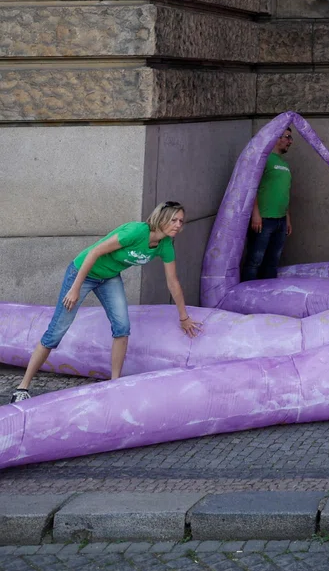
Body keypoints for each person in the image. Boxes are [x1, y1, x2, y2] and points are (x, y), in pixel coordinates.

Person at [9, 202, 203, 404]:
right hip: (82, 273)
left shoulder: (165, 245)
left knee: (122, 327)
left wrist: (184, 317)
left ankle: (114, 384)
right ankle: (22, 387)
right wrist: (75, 288)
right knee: (56, 331)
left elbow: (173, 282)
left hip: (109, 278)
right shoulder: (136, 231)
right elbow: (94, 252)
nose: (178, 225)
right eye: (174, 219)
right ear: (161, 218)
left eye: (181, 221)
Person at [242, 128, 293, 281]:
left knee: (273, 262)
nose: (290, 142)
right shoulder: (263, 159)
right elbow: (252, 187)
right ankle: (247, 295)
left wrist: (287, 218)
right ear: (277, 138)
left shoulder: (284, 163)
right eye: (288, 137)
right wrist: (255, 213)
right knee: (254, 261)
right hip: (263, 219)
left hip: (281, 220)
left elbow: (284, 192)